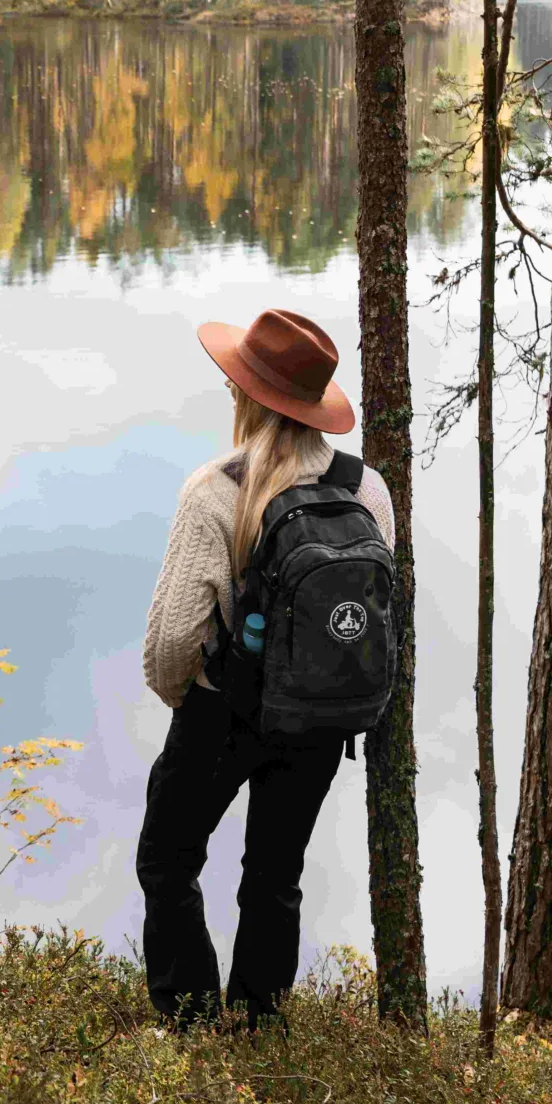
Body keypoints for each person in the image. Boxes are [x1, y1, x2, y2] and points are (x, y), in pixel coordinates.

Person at [136, 306, 396, 1028]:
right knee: (276, 875)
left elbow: (167, 653)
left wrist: (194, 701)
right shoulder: (367, 489)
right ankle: (257, 1026)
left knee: (169, 857)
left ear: (248, 395)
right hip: (321, 719)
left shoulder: (216, 490)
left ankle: (189, 1020)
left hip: (225, 711)